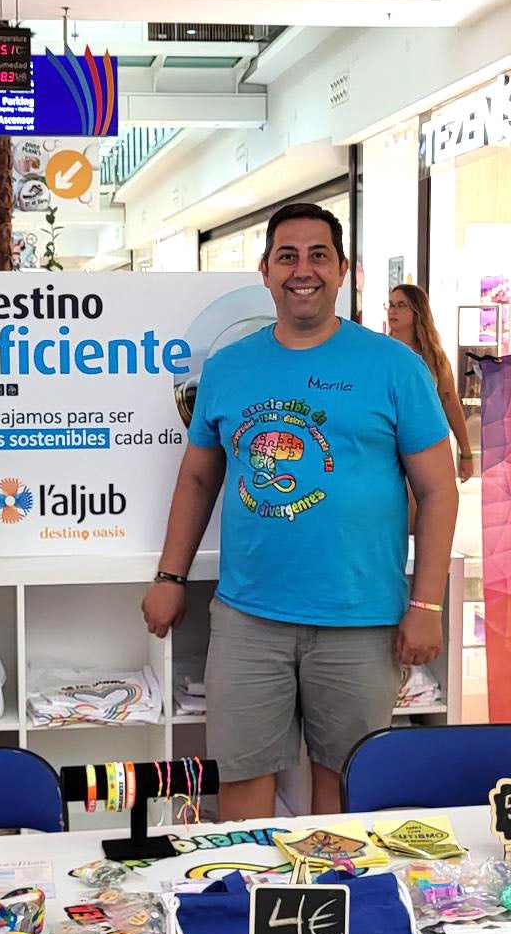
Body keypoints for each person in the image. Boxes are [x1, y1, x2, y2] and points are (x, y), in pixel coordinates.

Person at [142, 202, 458, 819]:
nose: (302, 270)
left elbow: (439, 490)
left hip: (361, 618)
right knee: (241, 782)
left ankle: (333, 886)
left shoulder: (396, 367)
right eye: (287, 256)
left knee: (345, 787)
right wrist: (169, 576)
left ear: (343, 270)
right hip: (249, 618)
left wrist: (427, 605)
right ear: (265, 271)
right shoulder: (227, 369)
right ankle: (250, 881)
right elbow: (199, 475)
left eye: (319, 255)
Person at [386, 284, 475, 482]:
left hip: (426, 444)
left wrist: (466, 452)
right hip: (388, 447)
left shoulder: (434, 357)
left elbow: (449, 401)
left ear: (417, 311)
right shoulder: (380, 353)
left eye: (401, 305)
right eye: (391, 304)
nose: (393, 310)